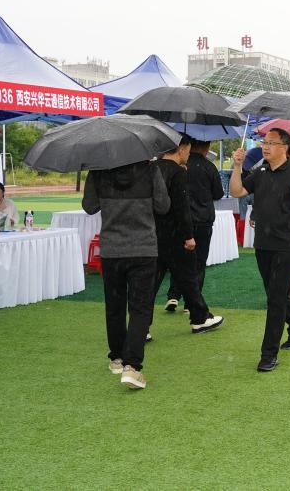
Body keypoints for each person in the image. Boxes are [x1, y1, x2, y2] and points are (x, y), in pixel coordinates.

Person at [82, 161, 170, 390]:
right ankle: (133, 366)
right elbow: (163, 206)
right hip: (143, 248)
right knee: (140, 308)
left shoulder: (99, 171)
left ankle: (117, 357)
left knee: (115, 306)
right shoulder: (150, 170)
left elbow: (89, 206)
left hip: (112, 249)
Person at [231, 128, 290, 372]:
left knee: (275, 299)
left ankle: (268, 354)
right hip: (263, 243)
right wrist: (237, 166)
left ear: (284, 147)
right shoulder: (260, 171)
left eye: (271, 143)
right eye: (264, 142)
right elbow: (237, 191)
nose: (265, 146)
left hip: (287, 244)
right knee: (275, 294)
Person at [149, 136, 225, 339]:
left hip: (154, 233)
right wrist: (189, 236)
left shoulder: (152, 168)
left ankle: (141, 326)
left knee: (152, 282)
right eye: (188, 150)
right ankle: (199, 318)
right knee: (189, 276)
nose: (189, 154)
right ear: (181, 148)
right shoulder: (177, 172)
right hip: (176, 234)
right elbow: (182, 208)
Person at [165, 138, 224, 312]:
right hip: (203, 220)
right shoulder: (209, 167)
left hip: (180, 219)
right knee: (198, 262)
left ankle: (173, 295)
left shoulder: (178, 166)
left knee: (179, 259)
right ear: (207, 147)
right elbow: (218, 193)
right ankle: (192, 303)